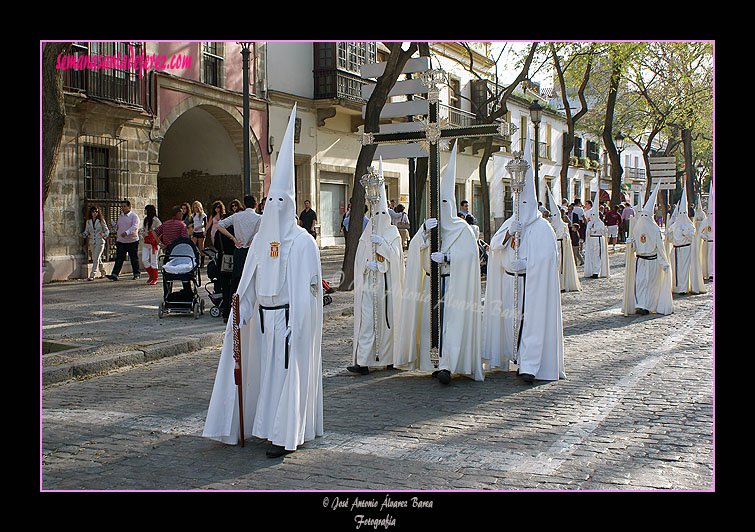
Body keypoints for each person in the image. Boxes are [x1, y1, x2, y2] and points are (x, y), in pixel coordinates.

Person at [203, 104, 323, 457]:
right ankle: (267, 426)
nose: (273, 205)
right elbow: (250, 279)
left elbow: (310, 291)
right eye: (269, 200)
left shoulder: (303, 243)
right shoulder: (263, 240)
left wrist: (298, 324)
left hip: (288, 322)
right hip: (266, 321)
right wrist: (240, 312)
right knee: (268, 379)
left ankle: (284, 434)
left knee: (285, 378)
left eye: (279, 200)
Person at [395, 141, 484, 385]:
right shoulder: (432, 226)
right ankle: (435, 361)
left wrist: (448, 258)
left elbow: (469, 258)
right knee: (434, 326)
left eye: (445, 204)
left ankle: (449, 364)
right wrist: (423, 231)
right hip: (434, 284)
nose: (441, 211)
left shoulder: (463, 230)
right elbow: (415, 248)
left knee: (452, 325)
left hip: (454, 286)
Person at [482, 135, 565, 383]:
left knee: (531, 325)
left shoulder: (543, 229)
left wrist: (528, 265)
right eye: (518, 200)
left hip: (532, 287)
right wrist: (508, 233)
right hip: (509, 283)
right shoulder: (511, 222)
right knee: (509, 324)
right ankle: (511, 356)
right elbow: (494, 245)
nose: (522, 204)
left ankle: (530, 364)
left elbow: (551, 262)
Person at [349, 158, 405, 375]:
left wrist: (382, 249)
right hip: (369, 286)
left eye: (383, 213)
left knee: (386, 323)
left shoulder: (392, 234)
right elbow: (359, 259)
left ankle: (390, 357)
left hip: (387, 288)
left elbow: (397, 261)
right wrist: (367, 265)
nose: (380, 218)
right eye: (376, 214)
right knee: (367, 323)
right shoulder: (366, 234)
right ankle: (363, 361)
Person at [623, 182, 673, 316]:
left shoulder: (655, 230)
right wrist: (630, 244)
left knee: (651, 284)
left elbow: (660, 248)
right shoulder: (636, 229)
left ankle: (648, 305)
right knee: (640, 283)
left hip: (652, 262)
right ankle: (640, 304)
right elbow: (634, 248)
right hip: (640, 261)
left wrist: (664, 262)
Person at [216, 194, 262, 302]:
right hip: (252, 251)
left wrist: (233, 238)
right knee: (253, 279)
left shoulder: (236, 216)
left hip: (239, 249)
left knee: (237, 279)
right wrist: (254, 239)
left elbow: (219, 225)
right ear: (256, 205)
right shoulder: (260, 218)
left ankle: (233, 308)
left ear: (244, 205)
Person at [668, 187, 705, 295]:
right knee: (677, 270)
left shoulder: (690, 225)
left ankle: (683, 288)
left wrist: (686, 232)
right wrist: (669, 234)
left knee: (684, 270)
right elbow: (670, 240)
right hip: (675, 250)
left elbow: (692, 237)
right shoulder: (674, 226)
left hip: (686, 250)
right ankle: (677, 287)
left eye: (684, 213)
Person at [546, 187, 581, 292]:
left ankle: (562, 284)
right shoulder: (549, 224)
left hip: (561, 247)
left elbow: (567, 235)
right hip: (553, 246)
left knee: (561, 266)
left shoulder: (563, 224)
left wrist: (564, 237)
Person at [106, 199, 141, 281]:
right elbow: (119, 227)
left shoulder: (134, 216)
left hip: (132, 241)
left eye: (125, 206)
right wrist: (114, 226)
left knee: (133, 258)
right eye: (122, 207)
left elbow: (135, 227)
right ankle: (115, 274)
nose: (123, 208)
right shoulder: (121, 217)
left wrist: (127, 232)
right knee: (119, 258)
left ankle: (136, 273)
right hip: (121, 241)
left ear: (129, 207)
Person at [583, 199, 609, 278]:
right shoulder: (590, 223)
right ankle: (592, 270)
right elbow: (587, 232)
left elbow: (605, 231)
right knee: (591, 255)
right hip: (591, 240)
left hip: (598, 240)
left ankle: (596, 272)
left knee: (597, 256)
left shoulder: (600, 223)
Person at [81, 206, 110, 280]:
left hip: (100, 241)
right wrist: (84, 234)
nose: (95, 213)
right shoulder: (88, 221)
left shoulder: (101, 221)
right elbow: (87, 231)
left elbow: (107, 231)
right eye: (93, 211)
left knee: (95, 258)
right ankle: (103, 272)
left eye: (96, 212)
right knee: (96, 257)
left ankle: (92, 274)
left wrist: (103, 235)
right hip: (92, 241)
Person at [140, 204, 161, 285]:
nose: (144, 211)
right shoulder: (146, 220)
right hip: (146, 243)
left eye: (145, 210)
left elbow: (158, 231)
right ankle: (151, 275)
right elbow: (144, 229)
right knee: (144, 259)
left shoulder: (156, 220)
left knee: (153, 260)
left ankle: (155, 278)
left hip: (154, 243)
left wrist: (149, 234)